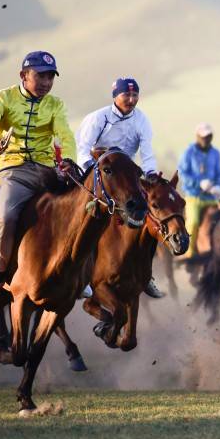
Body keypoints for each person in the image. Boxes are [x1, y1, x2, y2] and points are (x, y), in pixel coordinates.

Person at [0, 51, 78, 298]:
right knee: (8, 217)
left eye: (51, 77)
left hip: (46, 170)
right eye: (41, 75)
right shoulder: (3, 98)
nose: (46, 82)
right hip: (14, 170)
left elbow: (65, 134)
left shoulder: (56, 105)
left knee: (79, 210)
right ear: (23, 75)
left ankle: (78, 273)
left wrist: (70, 160)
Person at [76, 77, 166, 298]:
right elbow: (83, 148)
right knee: (84, 217)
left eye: (135, 95)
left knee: (150, 215)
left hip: (126, 175)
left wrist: (151, 172)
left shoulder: (141, 120)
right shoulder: (99, 117)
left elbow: (146, 149)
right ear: (115, 95)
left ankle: (146, 274)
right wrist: (93, 172)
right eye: (127, 95)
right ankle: (80, 271)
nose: (131, 99)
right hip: (99, 172)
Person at [178, 123, 220, 258]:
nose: (206, 139)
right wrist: (199, 183)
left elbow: (219, 174)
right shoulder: (189, 152)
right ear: (197, 136)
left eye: (208, 136)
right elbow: (182, 173)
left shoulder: (215, 153)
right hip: (194, 196)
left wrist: (218, 187)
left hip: (212, 197)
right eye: (203, 136)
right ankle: (189, 253)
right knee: (193, 222)